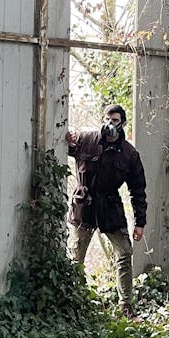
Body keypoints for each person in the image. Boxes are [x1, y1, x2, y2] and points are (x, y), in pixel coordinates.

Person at [66, 104, 147, 314]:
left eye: (115, 121)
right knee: (77, 257)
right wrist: (67, 138)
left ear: (123, 124)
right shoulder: (86, 140)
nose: (110, 124)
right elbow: (62, 144)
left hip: (110, 207)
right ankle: (75, 302)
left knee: (124, 253)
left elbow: (138, 190)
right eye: (107, 119)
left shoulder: (129, 154)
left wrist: (140, 223)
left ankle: (125, 305)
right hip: (84, 206)